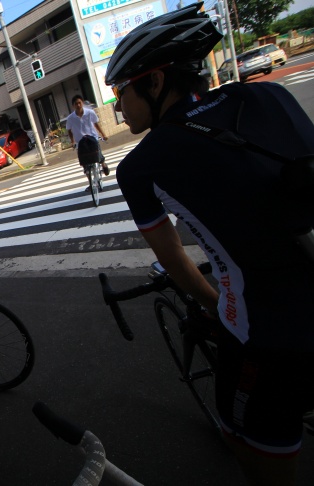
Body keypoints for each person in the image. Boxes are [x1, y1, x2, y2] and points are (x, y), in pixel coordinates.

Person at [105, 3, 314, 485]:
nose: (118, 107)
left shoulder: (140, 167)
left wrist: (213, 300)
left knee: (244, 436)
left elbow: (175, 259)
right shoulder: (269, 96)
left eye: (122, 92)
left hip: (272, 335)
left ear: (155, 82)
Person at [65, 94, 110, 176]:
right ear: (73, 106)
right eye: (76, 104)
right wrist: (73, 141)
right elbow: (69, 130)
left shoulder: (90, 112)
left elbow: (96, 124)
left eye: (79, 103)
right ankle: (90, 183)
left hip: (92, 137)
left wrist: (103, 135)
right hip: (80, 141)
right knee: (84, 163)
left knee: (97, 152)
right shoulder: (70, 118)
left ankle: (103, 164)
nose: (78, 105)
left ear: (82, 103)